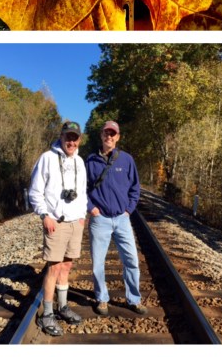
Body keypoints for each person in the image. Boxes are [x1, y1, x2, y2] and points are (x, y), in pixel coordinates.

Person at [29, 120, 88, 336]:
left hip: (75, 222)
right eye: (67, 137)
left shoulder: (80, 162)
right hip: (55, 221)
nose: (71, 141)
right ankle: (47, 314)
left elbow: (82, 192)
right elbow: (35, 191)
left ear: (79, 139)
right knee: (53, 267)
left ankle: (62, 307)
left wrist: (81, 216)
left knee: (67, 266)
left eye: (75, 137)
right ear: (61, 137)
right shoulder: (47, 158)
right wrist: (44, 215)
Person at [86, 120, 147, 316]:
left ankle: (134, 299)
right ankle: (102, 299)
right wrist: (91, 208)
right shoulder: (90, 161)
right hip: (100, 219)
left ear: (118, 137)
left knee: (131, 260)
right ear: (101, 135)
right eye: (106, 133)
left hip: (122, 219)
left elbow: (135, 188)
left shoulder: (127, 160)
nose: (109, 137)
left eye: (113, 134)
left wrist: (129, 210)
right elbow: (82, 189)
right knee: (98, 262)